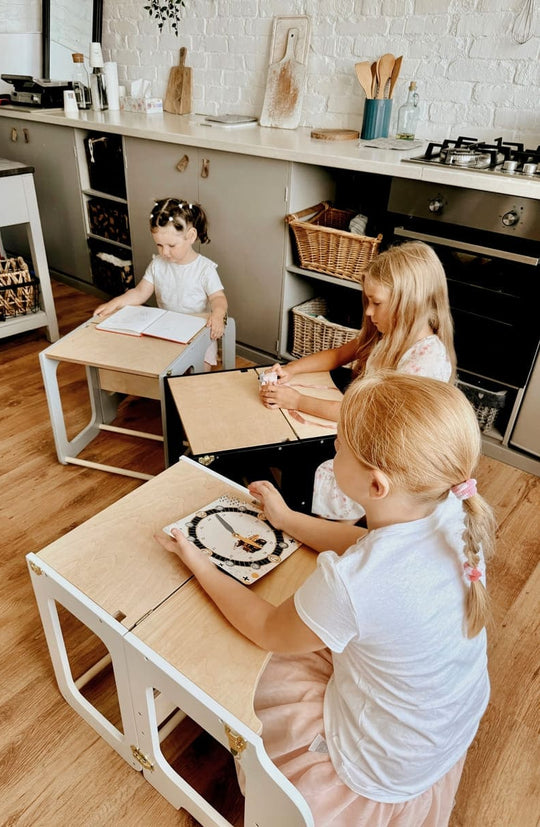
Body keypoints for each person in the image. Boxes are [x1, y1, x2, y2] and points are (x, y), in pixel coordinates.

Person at [155, 371, 495, 827]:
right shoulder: (449, 508)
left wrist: (199, 561)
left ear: (376, 486)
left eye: (338, 445)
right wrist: (287, 518)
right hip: (436, 734)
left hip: (375, 765)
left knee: (252, 658)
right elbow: (359, 540)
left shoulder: (358, 581)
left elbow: (265, 628)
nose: (332, 448)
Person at [260, 241, 456, 519]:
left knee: (299, 469)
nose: (368, 312)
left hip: (382, 463)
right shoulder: (386, 333)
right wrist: (292, 370)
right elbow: (339, 354)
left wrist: (297, 400)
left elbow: (359, 413)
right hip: (358, 432)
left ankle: (304, 518)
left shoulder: (426, 361)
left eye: (376, 303)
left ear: (408, 303)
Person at [94, 197, 228, 366]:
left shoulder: (204, 269)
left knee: (196, 378)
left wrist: (218, 314)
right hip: (167, 331)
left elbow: (218, 298)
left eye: (171, 245)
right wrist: (116, 302)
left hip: (198, 335)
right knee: (160, 369)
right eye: (159, 245)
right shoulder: (158, 264)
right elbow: (140, 292)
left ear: (191, 236)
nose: (165, 252)